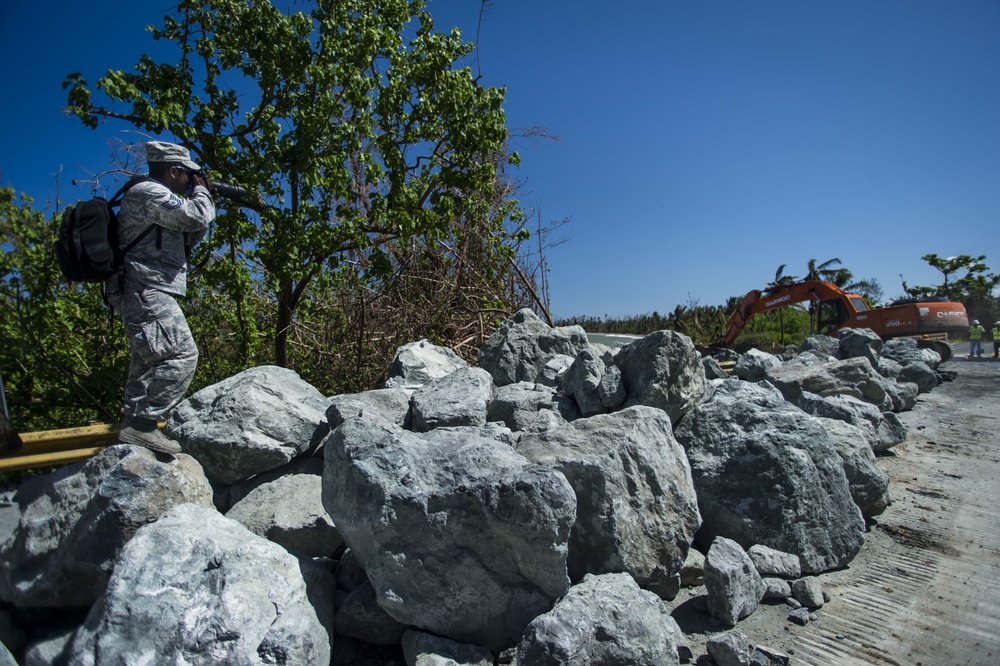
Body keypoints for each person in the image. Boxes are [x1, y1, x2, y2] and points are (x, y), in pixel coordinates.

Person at [106, 141, 216, 454]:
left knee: (148, 359)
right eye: (189, 176)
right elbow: (195, 216)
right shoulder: (147, 192)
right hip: (144, 287)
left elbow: (189, 234)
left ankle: (134, 426)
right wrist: (202, 195)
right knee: (182, 354)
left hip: (145, 287)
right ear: (173, 170)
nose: (192, 181)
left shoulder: (159, 199)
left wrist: (205, 200)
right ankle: (143, 424)